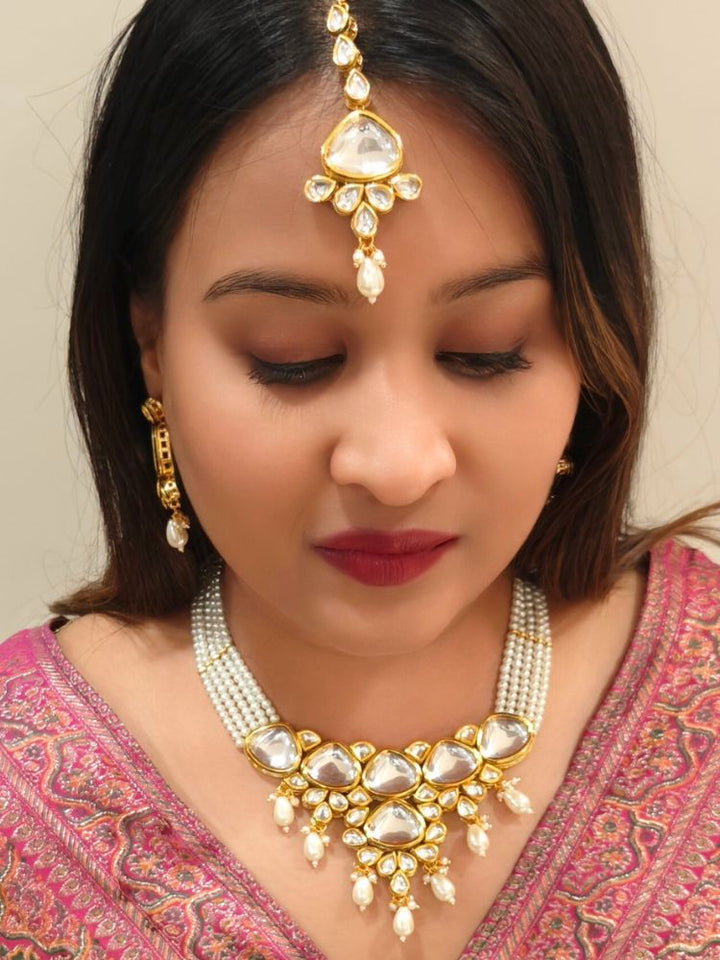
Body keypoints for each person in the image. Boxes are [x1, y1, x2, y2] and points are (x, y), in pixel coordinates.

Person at [1, 0, 718, 957]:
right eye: (290, 358)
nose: (394, 465)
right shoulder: (25, 780)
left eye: (486, 352)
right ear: (150, 348)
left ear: (594, 337)